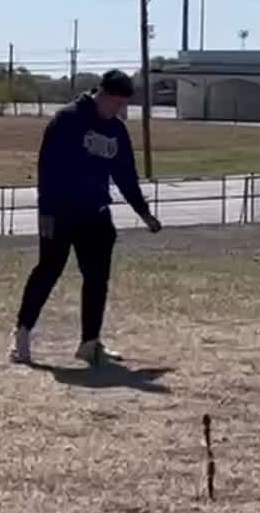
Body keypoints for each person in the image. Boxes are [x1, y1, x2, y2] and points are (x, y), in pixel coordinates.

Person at [11, 70, 162, 366]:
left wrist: (143, 212)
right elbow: (48, 169)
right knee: (49, 270)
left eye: (123, 105)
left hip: (96, 213)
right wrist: (46, 211)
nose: (118, 110)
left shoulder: (116, 130)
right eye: (115, 103)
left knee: (97, 278)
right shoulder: (67, 120)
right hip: (61, 212)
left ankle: (90, 343)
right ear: (101, 95)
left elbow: (125, 174)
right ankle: (22, 334)